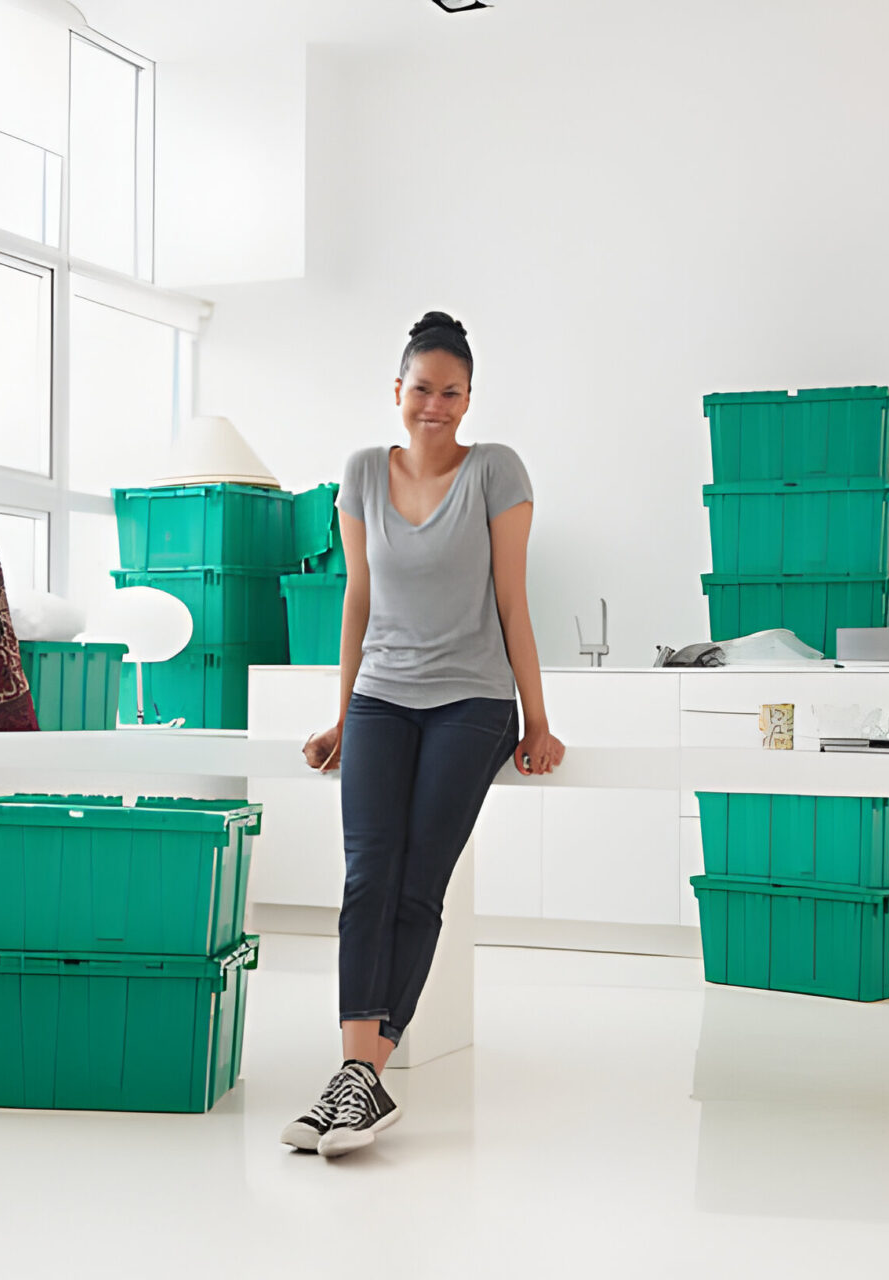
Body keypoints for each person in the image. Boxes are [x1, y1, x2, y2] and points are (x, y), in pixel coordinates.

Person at [281, 311, 566, 1158]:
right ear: (396, 393)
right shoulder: (363, 472)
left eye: (450, 392)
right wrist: (342, 710)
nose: (433, 405)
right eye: (420, 390)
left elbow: (514, 601)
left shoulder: (495, 472)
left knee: (416, 883)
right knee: (367, 877)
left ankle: (363, 1077)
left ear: (469, 400)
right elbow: (358, 602)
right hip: (380, 698)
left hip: (471, 703)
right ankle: (356, 1077)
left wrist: (539, 718)